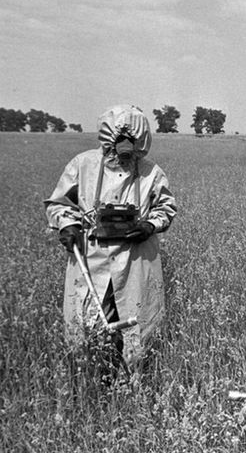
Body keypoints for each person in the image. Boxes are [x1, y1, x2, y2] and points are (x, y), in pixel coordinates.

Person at [45, 105, 177, 373]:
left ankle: (134, 382)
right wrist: (67, 225)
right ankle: (91, 380)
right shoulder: (82, 165)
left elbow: (166, 208)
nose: (124, 154)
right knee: (86, 325)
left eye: (131, 147)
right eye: (118, 145)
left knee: (136, 326)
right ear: (107, 140)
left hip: (135, 260)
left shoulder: (152, 173)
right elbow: (59, 204)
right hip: (91, 259)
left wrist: (149, 226)